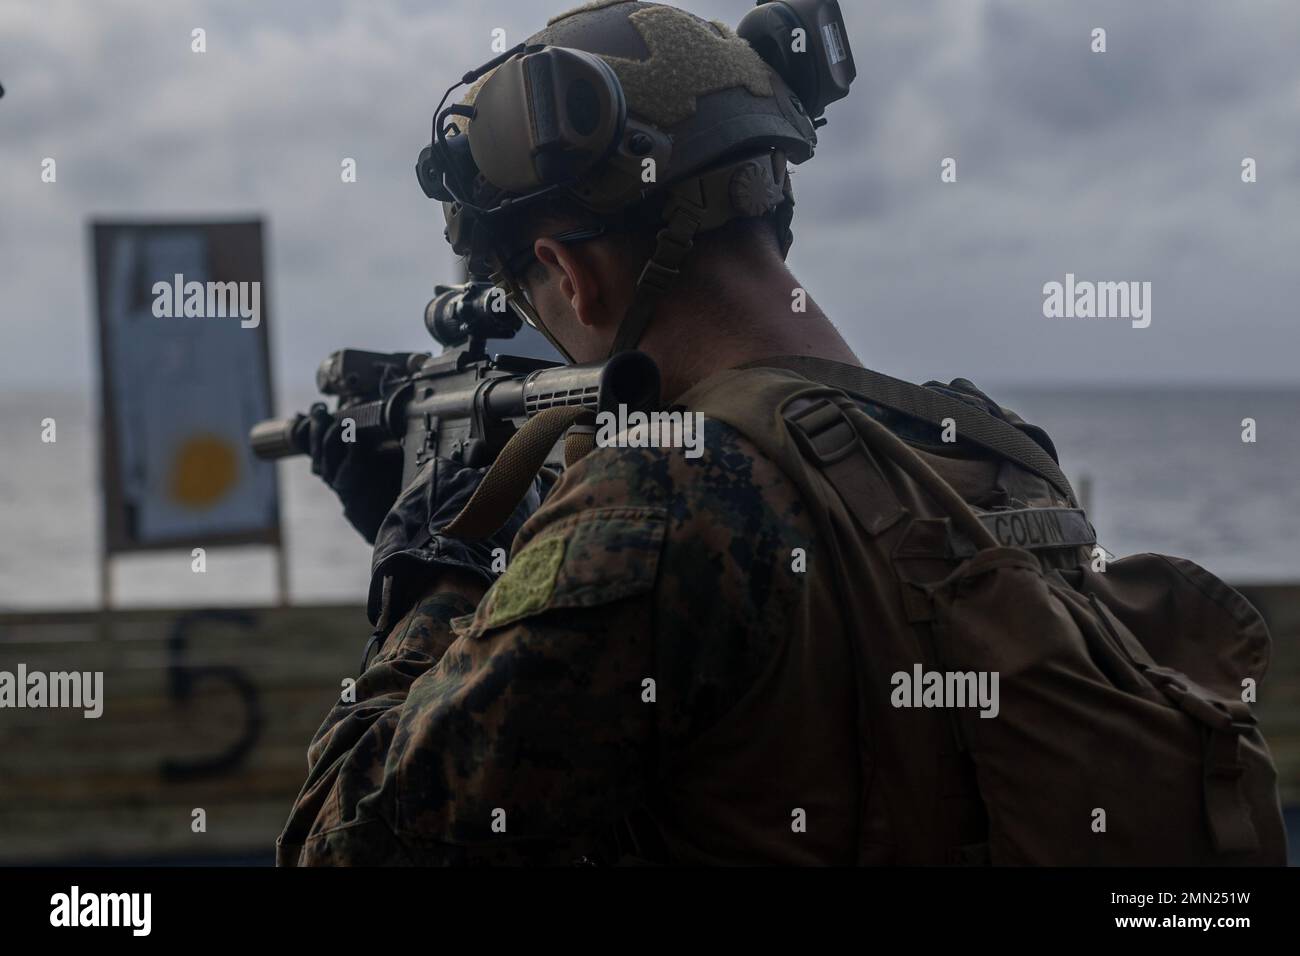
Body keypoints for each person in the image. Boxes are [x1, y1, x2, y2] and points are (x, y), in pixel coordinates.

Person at [276, 1, 1090, 866]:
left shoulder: (663, 505)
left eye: (523, 295)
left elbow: (343, 844)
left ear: (569, 273)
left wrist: (430, 570)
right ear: (770, 203)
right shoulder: (993, 449)